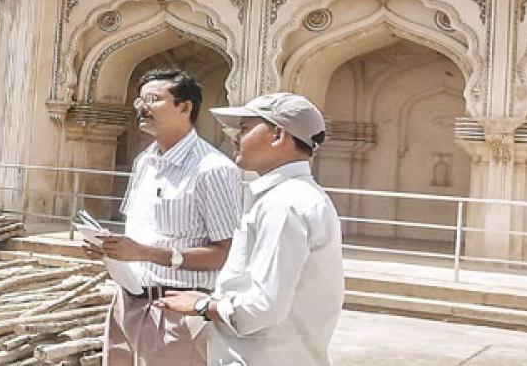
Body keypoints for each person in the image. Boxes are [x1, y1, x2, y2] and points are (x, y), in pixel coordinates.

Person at [156, 92, 343, 366]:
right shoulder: (296, 197)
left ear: (278, 135)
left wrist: (202, 306)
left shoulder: (284, 203)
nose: (235, 137)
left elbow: (263, 307)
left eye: (244, 128)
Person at [83, 69, 243, 365]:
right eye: (139, 101)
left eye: (153, 100)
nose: (142, 108)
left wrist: (146, 253)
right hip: (128, 302)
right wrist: (111, 249)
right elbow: (142, 233)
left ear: (185, 107)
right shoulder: (145, 161)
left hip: (178, 310)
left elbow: (226, 252)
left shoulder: (213, 169)